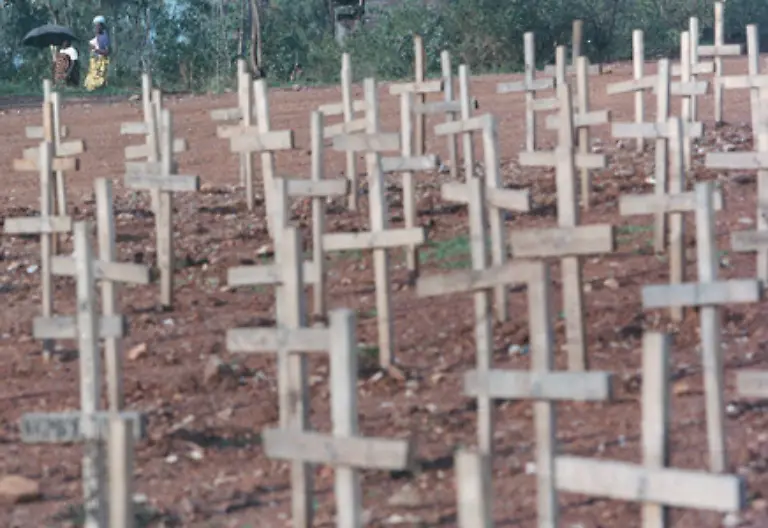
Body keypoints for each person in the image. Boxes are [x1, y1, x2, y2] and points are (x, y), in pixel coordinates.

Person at [84, 15, 110, 91]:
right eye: (95, 26)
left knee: (99, 77)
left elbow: (107, 51)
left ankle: (100, 90)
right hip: (94, 61)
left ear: (102, 26)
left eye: (98, 26)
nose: (96, 28)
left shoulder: (104, 37)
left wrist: (95, 50)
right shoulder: (97, 36)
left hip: (100, 61)